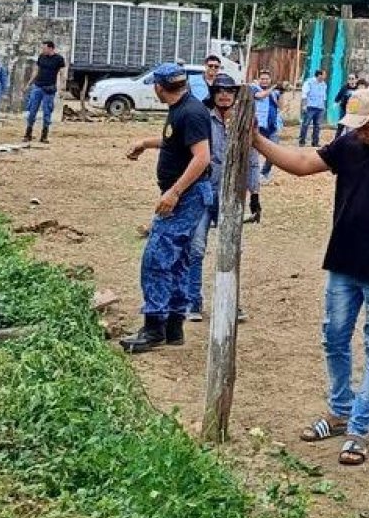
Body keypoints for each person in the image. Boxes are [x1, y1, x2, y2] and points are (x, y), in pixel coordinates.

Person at [253, 87, 369, 465]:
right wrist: (256, 140)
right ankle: (340, 411)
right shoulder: (350, 143)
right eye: (355, 127)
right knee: (334, 338)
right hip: (343, 263)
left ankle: (359, 427)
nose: (360, 133)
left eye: (365, 126)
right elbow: (303, 162)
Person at [119, 63, 212, 354]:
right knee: (178, 258)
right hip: (188, 195)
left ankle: (154, 327)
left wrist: (174, 192)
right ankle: (173, 325)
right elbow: (176, 141)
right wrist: (146, 143)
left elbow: (202, 157)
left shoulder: (191, 112)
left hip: (186, 196)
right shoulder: (183, 109)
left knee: (157, 257)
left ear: (160, 87)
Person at [184, 73, 258, 323]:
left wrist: (255, 194)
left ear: (236, 95)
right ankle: (193, 302)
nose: (225, 95)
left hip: (233, 195)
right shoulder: (203, 119)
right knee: (196, 248)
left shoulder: (244, 121)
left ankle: (230, 303)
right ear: (213, 94)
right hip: (204, 191)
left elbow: (252, 159)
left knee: (231, 249)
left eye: (229, 91)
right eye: (220, 91)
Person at [250, 70, 282, 219]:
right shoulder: (254, 88)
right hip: (259, 126)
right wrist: (273, 88)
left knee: (274, 153)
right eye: (262, 79)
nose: (264, 81)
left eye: (267, 79)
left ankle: (264, 173)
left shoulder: (274, 93)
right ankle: (254, 178)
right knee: (254, 154)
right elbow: (260, 96)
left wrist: (281, 93)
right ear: (259, 79)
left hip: (273, 126)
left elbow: (280, 106)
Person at [24, 40, 65, 143]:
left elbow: (62, 74)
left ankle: (44, 135)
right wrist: (29, 84)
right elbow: (36, 71)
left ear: (51, 48)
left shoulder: (59, 59)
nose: (43, 50)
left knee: (47, 112)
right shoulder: (41, 57)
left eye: (44, 48)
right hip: (37, 87)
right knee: (32, 111)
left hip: (49, 88)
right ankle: (28, 133)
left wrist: (61, 88)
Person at [299, 69, 328, 147]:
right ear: (319, 75)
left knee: (317, 125)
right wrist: (304, 105)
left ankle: (315, 142)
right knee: (305, 124)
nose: (325, 76)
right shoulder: (309, 82)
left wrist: (324, 106)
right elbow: (304, 94)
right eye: (324, 75)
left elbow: (324, 96)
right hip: (310, 107)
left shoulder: (324, 84)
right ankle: (302, 142)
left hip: (320, 108)